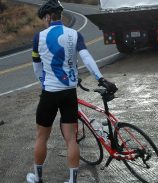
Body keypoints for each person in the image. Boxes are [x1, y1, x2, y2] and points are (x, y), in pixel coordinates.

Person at [26, 0, 117, 183]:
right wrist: (100, 78)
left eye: (44, 18)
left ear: (48, 16)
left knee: (42, 137)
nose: (44, 22)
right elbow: (87, 59)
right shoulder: (75, 34)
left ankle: (37, 178)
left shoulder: (39, 37)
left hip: (50, 93)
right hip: (69, 93)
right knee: (71, 139)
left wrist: (45, 84)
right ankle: (72, 180)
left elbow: (37, 69)